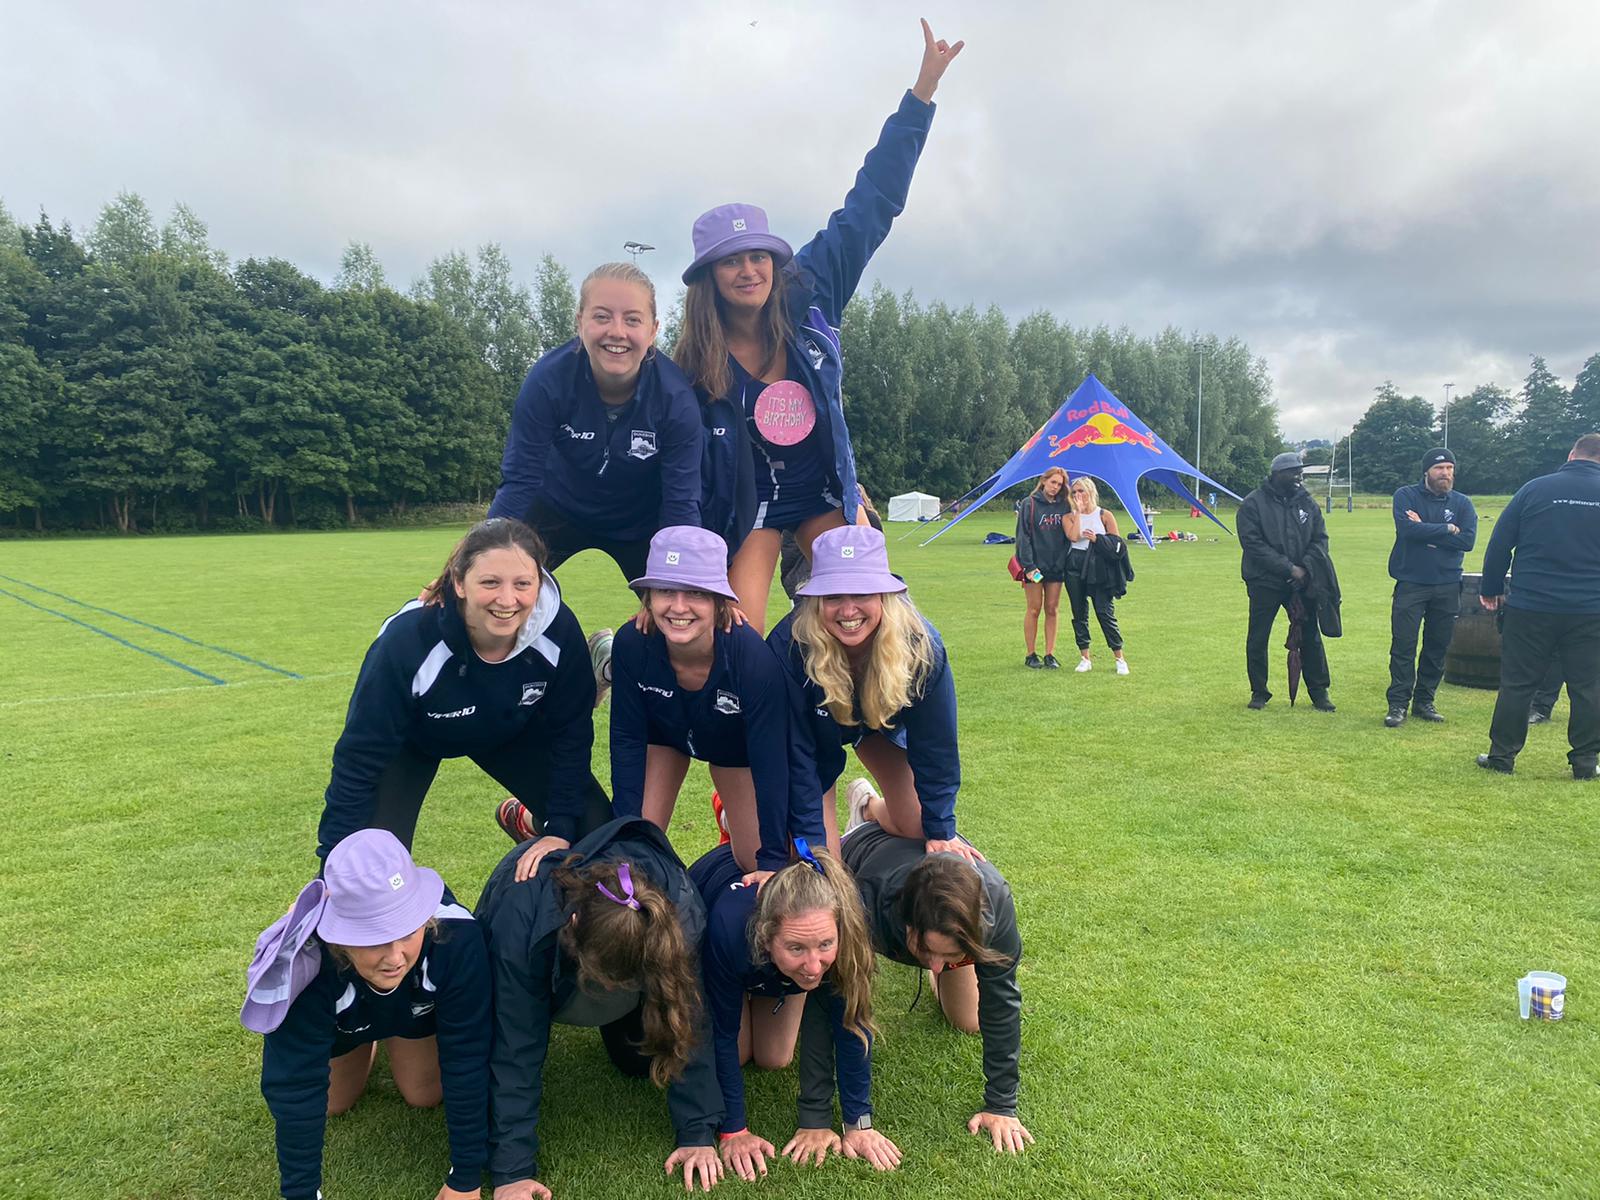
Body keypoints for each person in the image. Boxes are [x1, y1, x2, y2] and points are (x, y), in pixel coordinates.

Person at [673, 19, 963, 631]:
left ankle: (869, 726)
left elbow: (871, 206)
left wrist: (920, 96)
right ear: (709, 277)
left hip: (824, 497)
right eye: (732, 261)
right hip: (747, 512)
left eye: (759, 256)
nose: (750, 270)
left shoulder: (811, 291)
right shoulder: (691, 365)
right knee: (734, 643)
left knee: (878, 627)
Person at [316, 518, 613, 870]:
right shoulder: (407, 641)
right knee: (372, 870)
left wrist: (560, 828)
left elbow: (571, 733)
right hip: (413, 742)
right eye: (490, 582)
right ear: (459, 582)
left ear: (540, 583)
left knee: (597, 833)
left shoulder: (557, 629)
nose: (507, 599)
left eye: (523, 584)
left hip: (510, 730)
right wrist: (332, 868)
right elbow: (358, 757)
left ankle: (529, 822)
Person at [475, 816, 724, 1198]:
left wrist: (697, 1131)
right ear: (572, 923)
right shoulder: (518, 920)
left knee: (636, 1061)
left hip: (624, 945)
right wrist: (512, 1173)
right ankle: (533, 825)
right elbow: (515, 1047)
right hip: (530, 917)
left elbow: (688, 1011)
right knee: (514, 1021)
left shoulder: (679, 913)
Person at [243, 829, 490, 1200]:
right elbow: (295, 1087)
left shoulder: (458, 938)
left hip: (413, 1009)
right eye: (373, 939)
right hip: (347, 1015)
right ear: (338, 936)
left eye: (407, 931)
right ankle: (365, 1035)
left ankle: (386, 1026)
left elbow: (468, 1056)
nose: (394, 957)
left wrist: (466, 1179)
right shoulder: (305, 964)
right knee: (332, 1103)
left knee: (424, 1094)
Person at [606, 525, 828, 874]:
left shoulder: (752, 658)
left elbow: (770, 762)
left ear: (719, 599)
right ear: (648, 597)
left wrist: (769, 859)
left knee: (757, 858)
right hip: (665, 736)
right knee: (638, 852)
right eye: (665, 590)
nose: (679, 607)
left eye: (695, 592)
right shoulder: (632, 644)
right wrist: (623, 837)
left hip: (733, 747)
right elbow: (625, 741)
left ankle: (729, 817)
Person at [767, 524, 982, 864]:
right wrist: (812, 843)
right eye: (834, 596)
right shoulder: (788, 648)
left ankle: (866, 807)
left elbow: (936, 743)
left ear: (884, 595)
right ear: (815, 600)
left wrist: (941, 830)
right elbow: (797, 756)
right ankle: (740, 816)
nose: (848, 610)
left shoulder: (922, 647)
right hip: (813, 739)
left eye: (863, 593)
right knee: (817, 860)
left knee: (917, 825)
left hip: (879, 720)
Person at [690, 841, 900, 1178]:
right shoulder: (728, 928)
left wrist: (858, 1124)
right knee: (738, 1051)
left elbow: (850, 1024)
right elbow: (721, 1033)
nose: (815, 965)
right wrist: (734, 1130)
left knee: (774, 1057)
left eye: (825, 944)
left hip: (767, 963)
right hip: (720, 909)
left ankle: (780, 975)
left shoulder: (849, 923)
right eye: (796, 947)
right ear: (766, 936)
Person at [487, 262, 703, 587]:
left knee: (678, 613)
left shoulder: (676, 398)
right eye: (602, 316)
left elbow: (681, 503)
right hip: (556, 510)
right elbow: (519, 481)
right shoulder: (548, 380)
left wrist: (684, 580)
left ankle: (609, 642)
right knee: (496, 588)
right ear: (580, 322)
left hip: (639, 521)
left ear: (654, 329)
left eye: (632, 319)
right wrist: (474, 561)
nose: (617, 331)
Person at [839, 809, 1031, 1155]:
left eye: (951, 955)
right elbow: (847, 1006)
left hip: (936, 882)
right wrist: (857, 1121)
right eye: (928, 952)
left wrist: (1001, 1105)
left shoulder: (994, 905)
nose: (939, 968)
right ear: (908, 927)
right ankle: (868, 809)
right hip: (864, 850)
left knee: (968, 1020)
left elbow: (1001, 999)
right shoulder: (866, 899)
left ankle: (941, 950)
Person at [1476, 433, 1600, 778]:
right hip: (1591, 608)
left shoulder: (1535, 489)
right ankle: (1585, 762)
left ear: (1572, 454)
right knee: (1588, 686)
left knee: (1518, 683)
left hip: (1532, 604)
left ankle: (1502, 756)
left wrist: (1491, 587)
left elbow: (1500, 543)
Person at [1384, 448, 1478, 727]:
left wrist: (1426, 528)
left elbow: (1468, 542)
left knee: (1437, 646)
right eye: (1440, 469)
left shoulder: (1462, 503)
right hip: (1411, 583)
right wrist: (1448, 529)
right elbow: (1407, 531)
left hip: (1448, 583)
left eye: (1450, 468)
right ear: (1427, 471)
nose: (1445, 474)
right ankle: (1398, 704)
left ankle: (1424, 701)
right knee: (1404, 645)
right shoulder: (1406, 495)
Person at [1237, 452, 1335, 711]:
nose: (1298, 477)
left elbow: (1320, 539)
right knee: (1258, 637)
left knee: (1311, 636)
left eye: (1300, 473)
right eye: (1293, 472)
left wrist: (1305, 568)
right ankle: (1259, 691)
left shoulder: (1307, 503)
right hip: (1265, 581)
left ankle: (1319, 692)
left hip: (1303, 582)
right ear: (1276, 474)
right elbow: (1253, 544)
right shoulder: (1252, 504)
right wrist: (1289, 569)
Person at [1061, 475, 1129, 674]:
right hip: (1074, 564)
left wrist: (1097, 539)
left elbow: (1117, 544)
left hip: (1098, 567)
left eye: (1081, 491)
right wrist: (1079, 513)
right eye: (1074, 492)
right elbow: (1073, 536)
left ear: (1091, 492)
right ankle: (1085, 657)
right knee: (1079, 612)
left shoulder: (1104, 515)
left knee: (1104, 611)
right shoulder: (1069, 517)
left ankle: (1119, 658)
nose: (1077, 495)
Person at [1014, 467, 1072, 669]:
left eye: (1059, 484)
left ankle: (1050, 654)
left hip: (1056, 567)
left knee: (1052, 609)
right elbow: (1023, 537)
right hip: (1034, 568)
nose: (1055, 487)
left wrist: (1062, 561)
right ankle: (1031, 654)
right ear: (1044, 481)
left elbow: (1068, 536)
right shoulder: (1029, 504)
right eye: (1053, 482)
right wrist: (1029, 566)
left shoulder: (1065, 506)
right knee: (1034, 608)